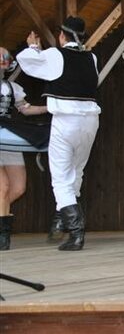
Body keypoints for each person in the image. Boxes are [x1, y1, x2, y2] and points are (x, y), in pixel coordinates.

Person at [17, 16, 100, 251]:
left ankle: (75, 232)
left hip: (66, 121)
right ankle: (62, 219)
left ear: (62, 36)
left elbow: (28, 62)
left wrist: (34, 46)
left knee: (61, 178)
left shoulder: (56, 55)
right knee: (76, 172)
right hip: (90, 122)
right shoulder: (92, 58)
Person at [0, 49, 48, 250]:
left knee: (18, 188)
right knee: (2, 188)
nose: (3, 60)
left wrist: (51, 106)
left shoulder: (13, 88)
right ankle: (3, 237)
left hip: (8, 137)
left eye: (4, 57)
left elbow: (26, 109)